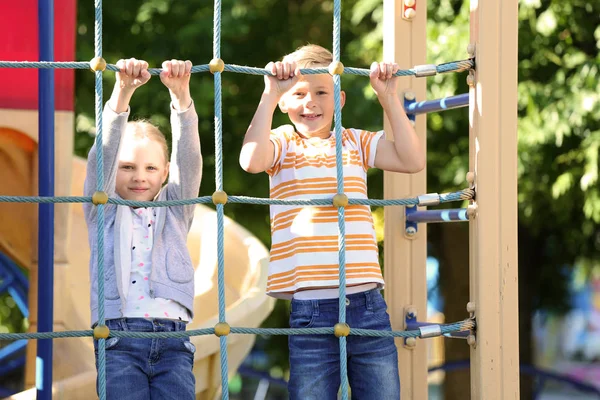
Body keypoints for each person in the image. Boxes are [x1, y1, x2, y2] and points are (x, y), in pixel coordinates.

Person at [239, 44, 425, 399]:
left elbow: (411, 159)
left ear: (339, 100)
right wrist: (268, 93)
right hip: (311, 309)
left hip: (366, 304)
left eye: (321, 92)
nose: (311, 102)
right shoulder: (282, 143)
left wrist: (388, 98)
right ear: (283, 102)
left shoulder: (354, 141)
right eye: (299, 93)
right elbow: (251, 160)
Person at [83, 57, 202, 399]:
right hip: (119, 340)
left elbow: (190, 161)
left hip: (174, 340)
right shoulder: (101, 209)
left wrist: (181, 97)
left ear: (165, 172)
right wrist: (121, 93)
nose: (139, 176)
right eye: (128, 166)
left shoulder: (175, 209)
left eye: (151, 167)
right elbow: (100, 156)